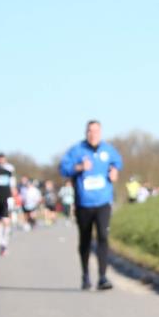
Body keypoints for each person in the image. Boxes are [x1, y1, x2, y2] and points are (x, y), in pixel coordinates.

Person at [59, 120, 123, 290]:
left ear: (100, 133)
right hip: (83, 203)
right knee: (85, 240)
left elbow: (118, 162)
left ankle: (102, 277)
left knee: (103, 236)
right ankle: (85, 275)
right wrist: (79, 167)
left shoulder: (108, 150)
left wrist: (115, 171)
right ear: (85, 132)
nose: (92, 134)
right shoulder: (77, 150)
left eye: (95, 131)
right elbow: (63, 168)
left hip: (103, 201)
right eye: (89, 131)